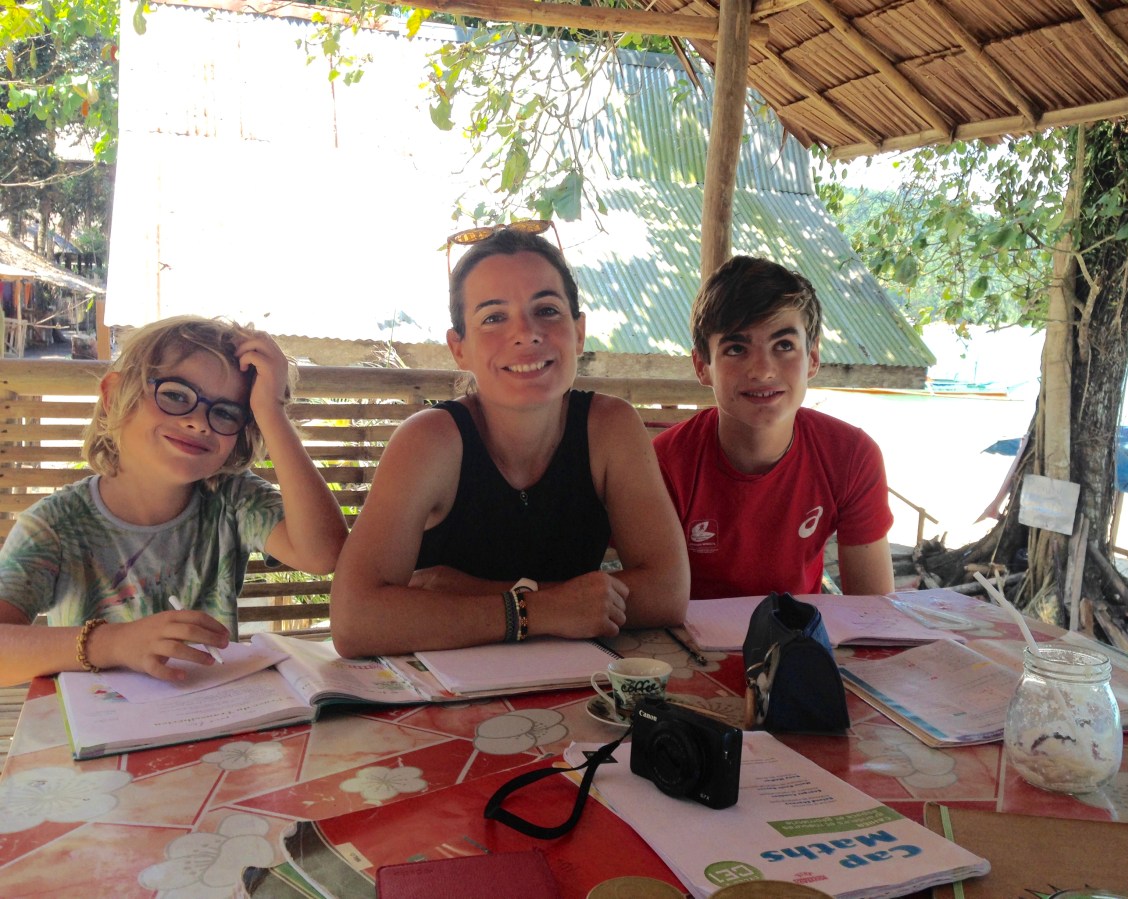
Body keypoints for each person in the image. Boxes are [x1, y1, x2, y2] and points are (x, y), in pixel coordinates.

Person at [331, 224, 689, 656]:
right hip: (446, 687)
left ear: (578, 332)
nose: (526, 333)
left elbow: (667, 591)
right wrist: (541, 611)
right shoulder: (429, 441)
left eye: (547, 310)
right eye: (494, 317)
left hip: (576, 678)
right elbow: (354, 621)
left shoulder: (610, 427)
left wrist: (483, 595)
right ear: (459, 348)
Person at [0, 316, 349, 686]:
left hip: (210, 711)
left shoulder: (232, 499)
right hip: (100, 716)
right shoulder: (55, 527)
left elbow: (322, 554)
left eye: (226, 412)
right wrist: (113, 643)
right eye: (176, 395)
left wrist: (270, 410)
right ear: (114, 396)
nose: (200, 423)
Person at [654, 255, 895, 599]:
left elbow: (874, 610)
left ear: (813, 358)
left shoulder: (852, 456)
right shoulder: (664, 466)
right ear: (702, 366)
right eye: (736, 349)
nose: (763, 370)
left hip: (801, 630)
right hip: (686, 632)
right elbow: (655, 601)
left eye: (784, 346)